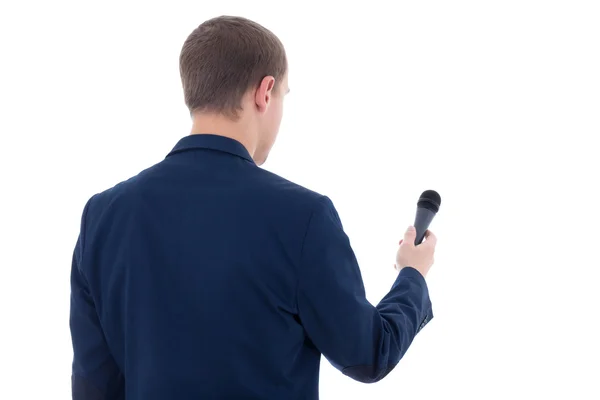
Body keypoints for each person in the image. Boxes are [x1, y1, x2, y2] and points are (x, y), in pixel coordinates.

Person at [69, 15, 437, 400]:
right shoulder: (303, 217)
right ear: (265, 91)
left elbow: (93, 388)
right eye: (284, 96)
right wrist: (412, 275)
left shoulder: (103, 217)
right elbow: (368, 353)